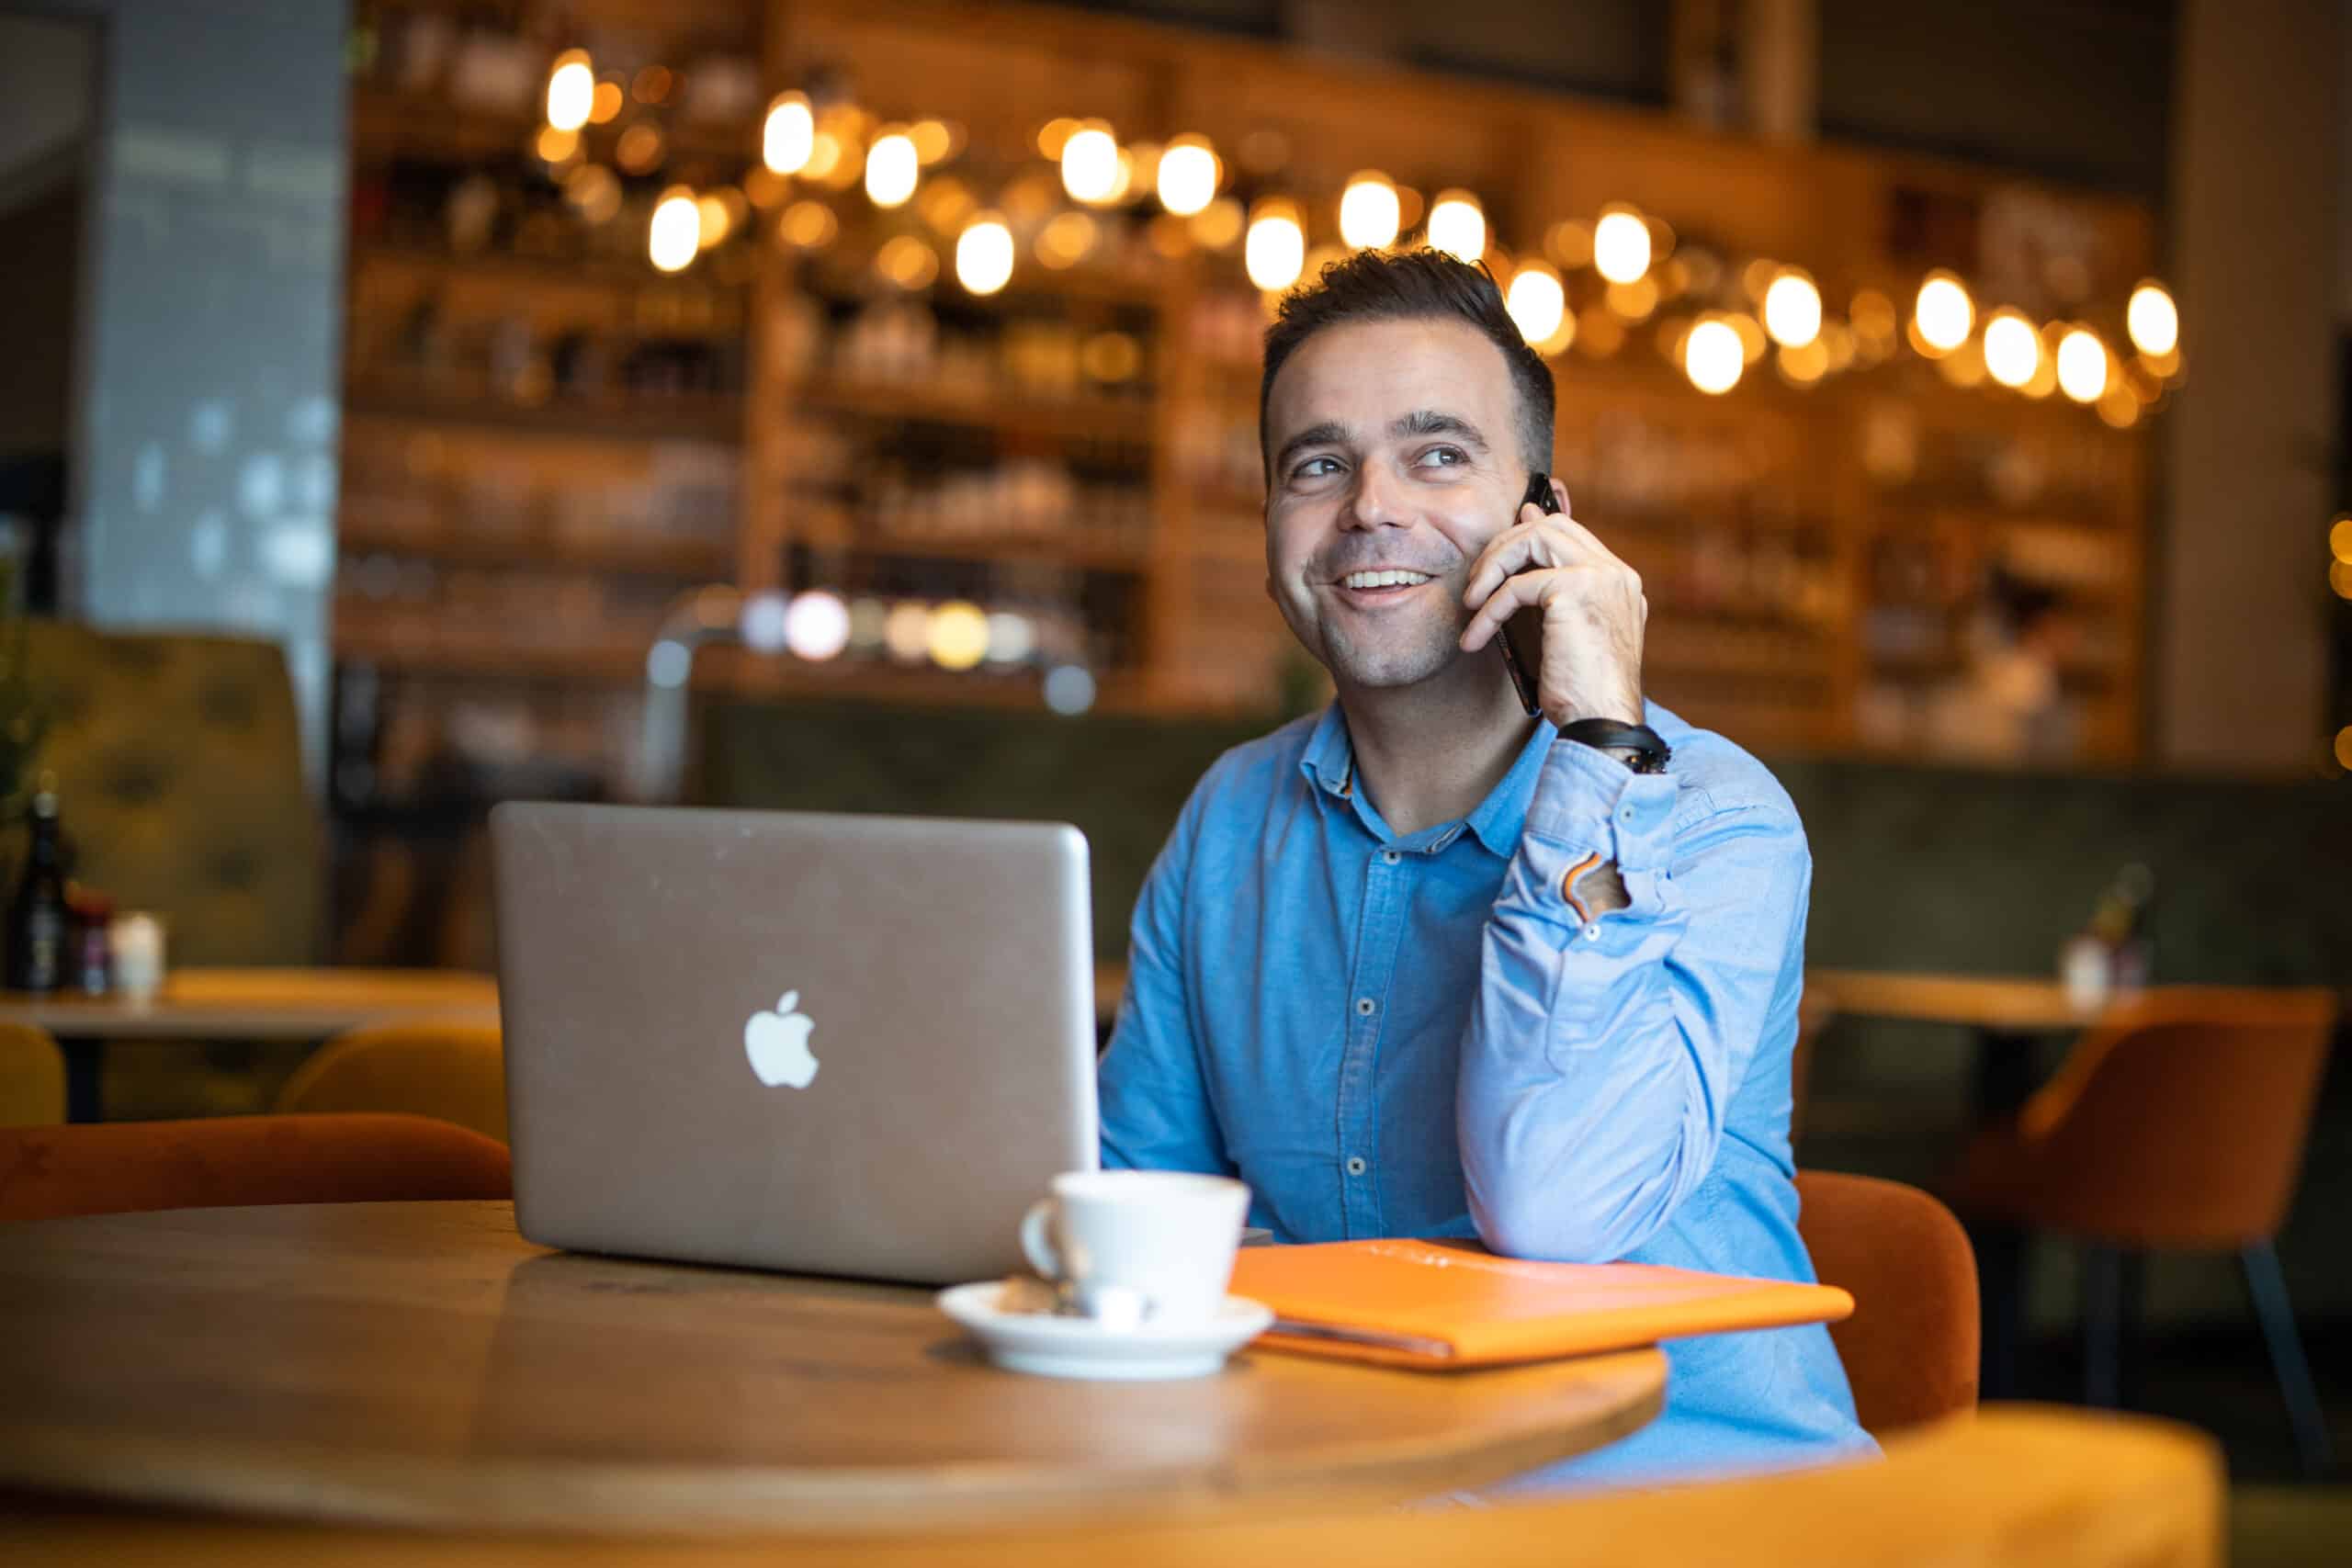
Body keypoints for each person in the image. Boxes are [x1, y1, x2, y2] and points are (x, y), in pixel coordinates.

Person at [1097, 248, 1873, 1488]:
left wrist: (1602, 746)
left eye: (1438, 453)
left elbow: (1552, 1205)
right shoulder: (1232, 818)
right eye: (1316, 464)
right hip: (1339, 1498)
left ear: (1545, 521)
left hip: (1681, 1504)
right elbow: (1135, 1214)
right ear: (1270, 526)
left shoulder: (1717, 820)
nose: (1369, 506)